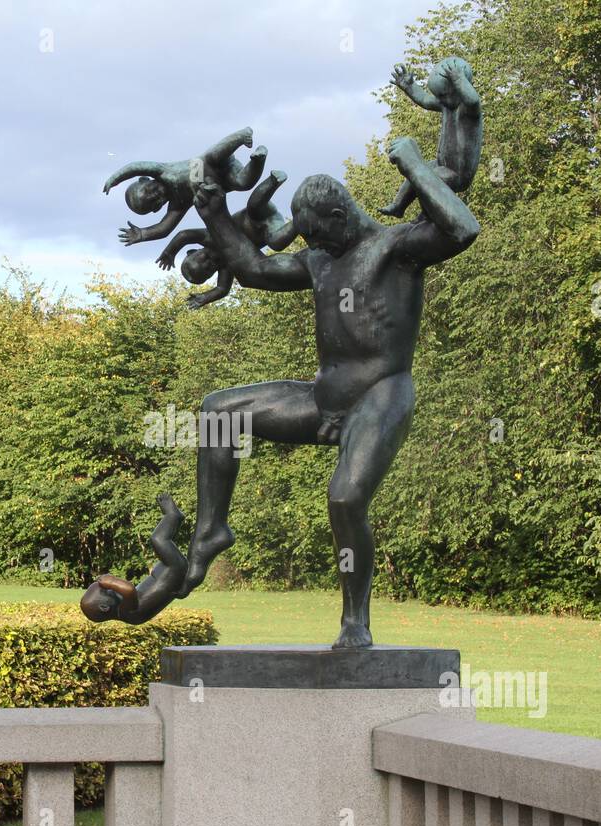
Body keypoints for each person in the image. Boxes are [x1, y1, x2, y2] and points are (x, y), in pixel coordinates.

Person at [178, 130, 480, 648]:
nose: (312, 247)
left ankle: (354, 622)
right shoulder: (320, 261)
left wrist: (412, 164)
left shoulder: (397, 248)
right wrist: (214, 215)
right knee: (218, 412)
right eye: (308, 240)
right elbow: (252, 269)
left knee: (343, 499)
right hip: (323, 398)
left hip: (380, 396)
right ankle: (211, 531)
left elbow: (462, 228)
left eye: (317, 236)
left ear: (340, 217)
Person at [155, 170, 299, 308]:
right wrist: (205, 297)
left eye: (203, 258)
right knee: (276, 243)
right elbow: (222, 289)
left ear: (193, 251)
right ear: (212, 274)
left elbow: (184, 235)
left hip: (256, 214)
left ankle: (273, 181)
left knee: (254, 206)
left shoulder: (208, 236)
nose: (209, 262)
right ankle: (300, 220)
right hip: (270, 228)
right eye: (209, 269)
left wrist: (170, 252)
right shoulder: (227, 265)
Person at [103, 127, 267, 246]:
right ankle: (258, 159)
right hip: (223, 180)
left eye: (148, 191)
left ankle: (240, 137)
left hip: (207, 164)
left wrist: (116, 178)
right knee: (243, 183)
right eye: (152, 201)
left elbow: (136, 166)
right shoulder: (177, 205)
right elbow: (164, 228)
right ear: (157, 208)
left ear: (145, 180)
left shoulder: (162, 171)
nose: (153, 195)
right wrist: (142, 234)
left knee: (210, 158)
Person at [379, 57, 482, 217]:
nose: (440, 100)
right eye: (439, 96)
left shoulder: (468, 110)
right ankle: (398, 206)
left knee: (426, 178)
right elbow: (425, 100)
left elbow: (473, 100)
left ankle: (428, 215)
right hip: (442, 164)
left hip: (458, 174)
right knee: (417, 171)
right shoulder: (447, 103)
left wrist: (460, 79)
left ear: (459, 89)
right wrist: (409, 87)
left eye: (443, 95)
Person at [80, 494, 188, 624]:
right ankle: (173, 516)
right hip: (173, 569)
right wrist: (111, 581)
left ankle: (174, 518)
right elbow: (129, 589)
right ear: (104, 607)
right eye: (108, 591)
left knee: (159, 543)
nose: (111, 588)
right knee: (158, 540)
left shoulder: (126, 612)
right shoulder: (126, 612)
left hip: (169, 573)